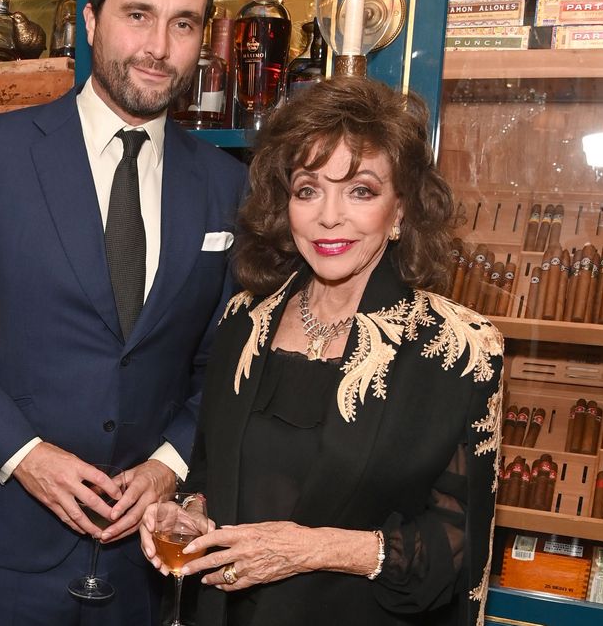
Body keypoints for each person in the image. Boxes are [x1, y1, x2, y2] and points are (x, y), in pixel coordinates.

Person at [0, 0, 247, 625]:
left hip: (147, 546)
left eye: (183, 23)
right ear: (91, 21)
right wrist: (24, 456)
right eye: (138, 15)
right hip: (15, 538)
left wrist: (169, 463)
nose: (159, 47)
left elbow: (226, 361)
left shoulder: (225, 184)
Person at [141, 77, 504, 625]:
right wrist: (191, 512)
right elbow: (212, 472)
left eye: (361, 191)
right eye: (308, 189)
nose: (329, 216)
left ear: (400, 211)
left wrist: (309, 550)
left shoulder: (458, 349)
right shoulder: (244, 319)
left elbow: (455, 551)